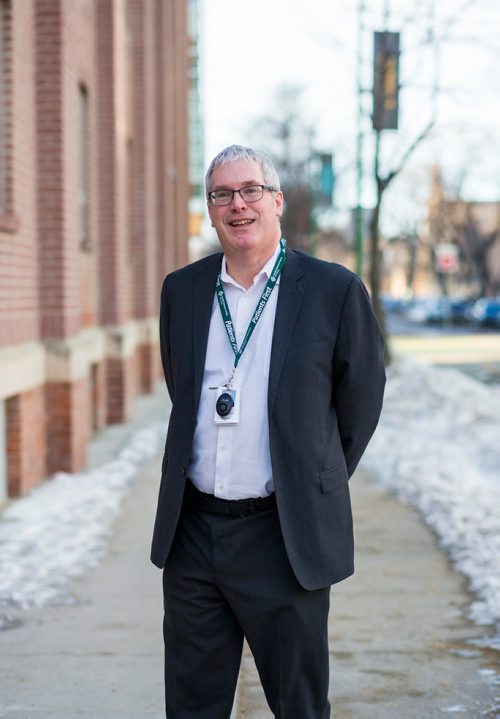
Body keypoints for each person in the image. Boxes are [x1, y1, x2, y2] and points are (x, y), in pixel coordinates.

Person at [151, 144, 386, 718]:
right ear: (209, 210)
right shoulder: (182, 291)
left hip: (284, 538)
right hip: (194, 535)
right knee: (191, 706)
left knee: (299, 705)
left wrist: (310, 477)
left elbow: (360, 405)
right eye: (222, 194)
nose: (239, 205)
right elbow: (182, 389)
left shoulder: (333, 290)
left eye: (251, 190)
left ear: (276, 200)